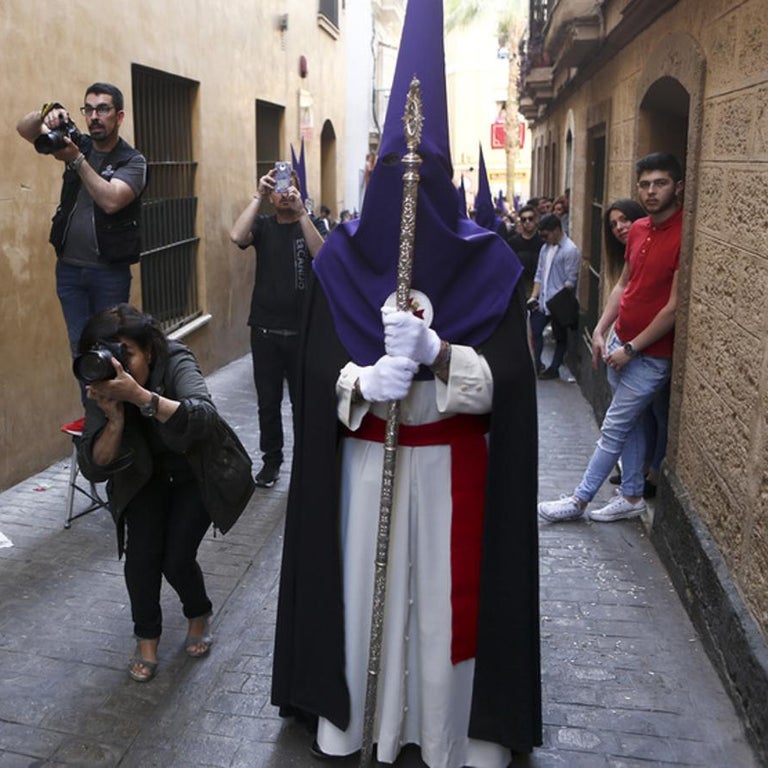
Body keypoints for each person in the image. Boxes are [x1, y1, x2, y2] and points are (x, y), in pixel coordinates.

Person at [272, 1, 541, 763]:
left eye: (424, 176)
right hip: (366, 470)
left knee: (448, 609)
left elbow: (513, 384)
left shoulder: (491, 266)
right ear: (375, 174)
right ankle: (359, 722)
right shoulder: (341, 263)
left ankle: (455, 732)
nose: (409, 191)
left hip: (457, 470)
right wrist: (361, 380)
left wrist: (440, 354)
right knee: (365, 595)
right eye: (394, 175)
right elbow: (313, 372)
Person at [74, 304, 222, 683]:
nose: (117, 366)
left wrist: (140, 396)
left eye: (126, 354)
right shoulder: (101, 380)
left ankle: (198, 612)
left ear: (150, 351)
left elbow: (204, 417)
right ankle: (146, 639)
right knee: (141, 559)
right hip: (142, 478)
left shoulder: (175, 358)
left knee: (176, 559)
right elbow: (94, 467)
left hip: (192, 473)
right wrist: (114, 419)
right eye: (107, 354)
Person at [538, 152, 684, 524]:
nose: (651, 191)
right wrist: (603, 331)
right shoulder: (639, 229)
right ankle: (632, 496)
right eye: (645, 184)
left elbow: (673, 308)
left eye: (660, 183)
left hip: (649, 356)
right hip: (619, 343)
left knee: (614, 428)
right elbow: (623, 285)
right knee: (630, 424)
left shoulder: (685, 234)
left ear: (678, 187)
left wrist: (632, 349)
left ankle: (578, 500)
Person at [16, 83, 147, 359]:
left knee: (110, 350)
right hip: (69, 271)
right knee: (80, 348)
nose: (94, 117)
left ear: (119, 116)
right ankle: (89, 390)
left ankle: (114, 390)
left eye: (102, 109)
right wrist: (46, 113)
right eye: (88, 109)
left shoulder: (132, 161)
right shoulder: (78, 142)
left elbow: (111, 200)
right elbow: (24, 129)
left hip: (109, 273)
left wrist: (76, 159)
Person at [229, 166, 324, 488]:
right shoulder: (263, 225)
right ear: (270, 195)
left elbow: (323, 257)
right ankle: (272, 462)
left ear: (299, 191)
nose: (284, 193)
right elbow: (237, 236)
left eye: (289, 186)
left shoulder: (312, 223)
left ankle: (305, 462)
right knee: (267, 403)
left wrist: (302, 213)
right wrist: (258, 195)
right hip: (265, 330)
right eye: (277, 188)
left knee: (302, 404)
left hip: (303, 333)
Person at [602, 199, 667, 497]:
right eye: (613, 224)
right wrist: (602, 330)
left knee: (658, 412)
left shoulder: (655, 246)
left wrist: (629, 348)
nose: (619, 228)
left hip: (652, 350)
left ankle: (652, 473)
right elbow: (621, 292)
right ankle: (637, 470)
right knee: (639, 415)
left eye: (624, 220)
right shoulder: (629, 255)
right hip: (627, 346)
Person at [527, 213, 581, 379]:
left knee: (560, 337)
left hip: (559, 303)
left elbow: (571, 281)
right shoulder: (545, 248)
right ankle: (536, 364)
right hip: (543, 301)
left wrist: (558, 301)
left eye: (546, 235)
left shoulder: (570, 250)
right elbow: (539, 274)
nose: (544, 239)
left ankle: (554, 368)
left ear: (556, 230)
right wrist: (534, 296)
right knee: (535, 331)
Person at [506, 205, 543, 302]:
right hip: (519, 288)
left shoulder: (542, 242)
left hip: (540, 287)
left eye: (530, 219)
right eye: (524, 219)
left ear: (536, 220)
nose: (527, 222)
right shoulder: (513, 242)